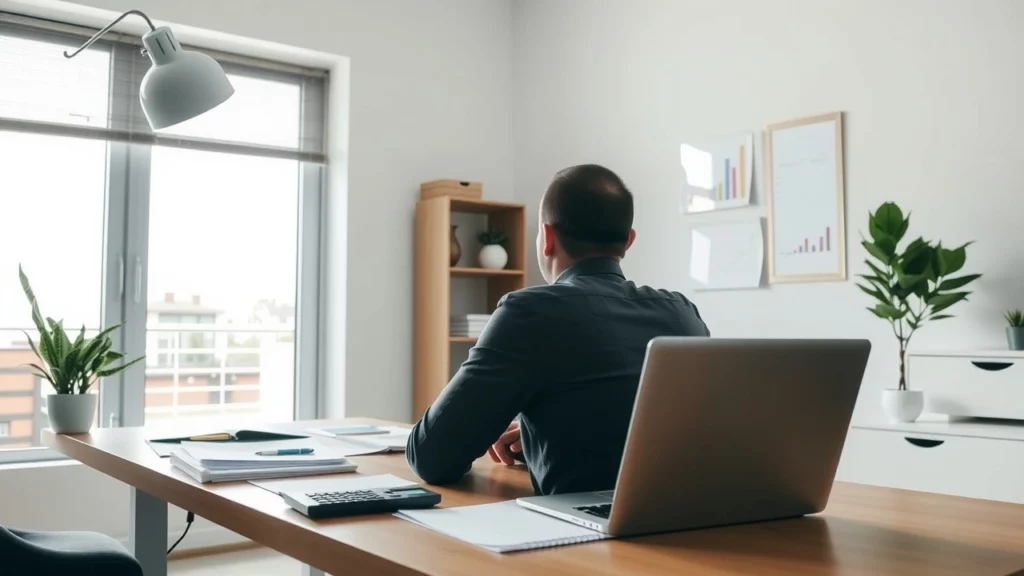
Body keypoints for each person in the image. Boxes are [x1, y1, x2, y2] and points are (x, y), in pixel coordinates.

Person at [407, 164, 710, 495]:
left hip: (585, 541)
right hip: (688, 526)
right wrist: (543, 426)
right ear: (628, 241)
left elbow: (432, 456)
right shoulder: (683, 314)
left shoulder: (528, 313)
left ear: (548, 238)